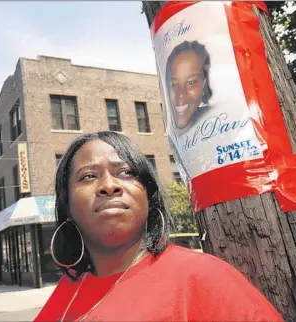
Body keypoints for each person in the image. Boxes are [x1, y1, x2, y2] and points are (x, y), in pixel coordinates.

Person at [34, 131, 282, 322]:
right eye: (88, 176)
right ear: (67, 206)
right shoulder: (70, 287)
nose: (109, 185)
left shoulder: (202, 277)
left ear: (148, 198)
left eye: (126, 173)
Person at [165, 40, 213, 131]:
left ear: (204, 83)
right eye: (174, 84)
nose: (180, 95)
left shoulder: (218, 117)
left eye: (191, 82)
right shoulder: (170, 129)